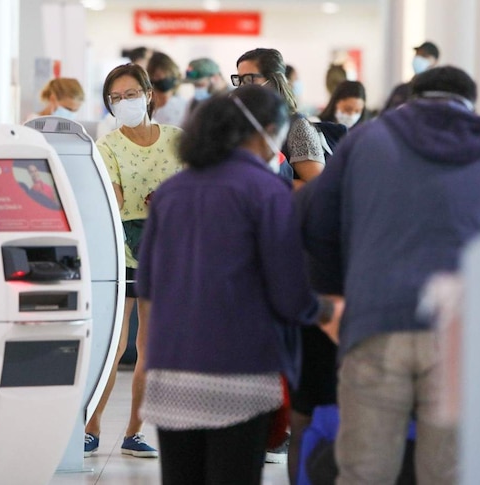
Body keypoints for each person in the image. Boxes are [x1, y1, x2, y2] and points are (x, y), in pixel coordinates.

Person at [302, 66, 480, 484]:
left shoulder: (365, 141)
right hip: (463, 333)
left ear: (414, 97)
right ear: (471, 102)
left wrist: (333, 299)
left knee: (365, 472)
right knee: (448, 474)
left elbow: (313, 221)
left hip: (374, 323)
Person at [136, 84, 343, 485]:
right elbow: (288, 294)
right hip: (239, 369)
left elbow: (148, 284)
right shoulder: (268, 191)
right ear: (264, 130)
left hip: (172, 366)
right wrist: (325, 310)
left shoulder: (170, 193)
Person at [84, 63, 184, 459]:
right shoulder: (108, 145)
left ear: (148, 93)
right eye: (115, 98)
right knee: (114, 342)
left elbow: (194, 189)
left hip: (168, 250)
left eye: (130, 94)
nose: (124, 103)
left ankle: (134, 431)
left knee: (151, 345)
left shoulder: (177, 139)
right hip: (124, 248)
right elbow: (114, 201)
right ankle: (90, 427)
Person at [234, 48, 325, 187]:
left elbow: (316, 186)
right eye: (239, 80)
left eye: (248, 79)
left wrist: (266, 183)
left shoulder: (297, 126)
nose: (241, 87)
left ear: (273, 81)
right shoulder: (243, 121)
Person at [382, 41, 440, 112]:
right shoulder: (401, 90)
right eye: (417, 55)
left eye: (424, 55)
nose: (418, 58)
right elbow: (385, 117)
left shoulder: (437, 92)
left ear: (435, 62)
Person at [146, 51, 188, 127]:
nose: (163, 78)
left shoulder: (184, 105)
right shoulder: (145, 106)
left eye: (168, 75)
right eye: (157, 76)